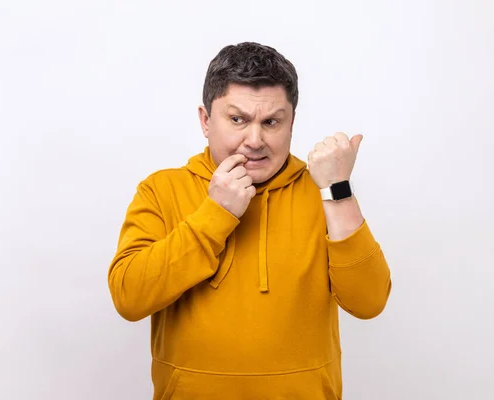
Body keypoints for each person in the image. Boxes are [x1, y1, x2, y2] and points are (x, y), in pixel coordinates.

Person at [108, 41, 392, 399]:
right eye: (237, 119)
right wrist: (216, 214)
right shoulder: (161, 189)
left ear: (291, 123)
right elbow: (128, 297)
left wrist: (337, 189)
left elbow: (369, 302)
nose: (254, 141)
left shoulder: (322, 191)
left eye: (271, 122)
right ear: (206, 121)